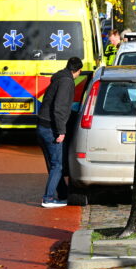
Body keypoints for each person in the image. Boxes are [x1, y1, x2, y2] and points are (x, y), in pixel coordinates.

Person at [36, 57, 83, 208]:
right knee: (57, 165)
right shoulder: (67, 82)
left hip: (42, 125)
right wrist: (61, 131)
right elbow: (59, 108)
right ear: (78, 70)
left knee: (53, 164)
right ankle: (48, 198)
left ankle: (62, 193)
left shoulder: (58, 78)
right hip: (51, 128)